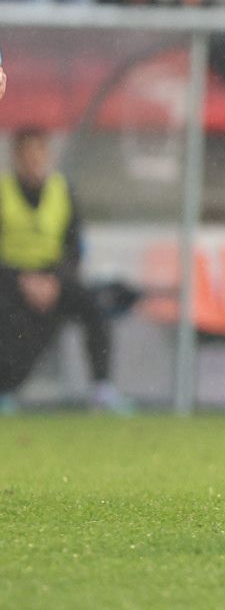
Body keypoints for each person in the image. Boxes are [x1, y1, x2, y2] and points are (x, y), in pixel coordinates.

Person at [0, 127, 130, 413]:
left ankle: (102, 387)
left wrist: (55, 280)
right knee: (12, 327)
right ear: (16, 158)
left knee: (94, 308)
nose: (34, 161)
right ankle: (4, 389)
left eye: (39, 154)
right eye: (28, 155)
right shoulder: (4, 191)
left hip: (54, 276)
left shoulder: (62, 190)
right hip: (11, 279)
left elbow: (74, 245)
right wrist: (21, 280)